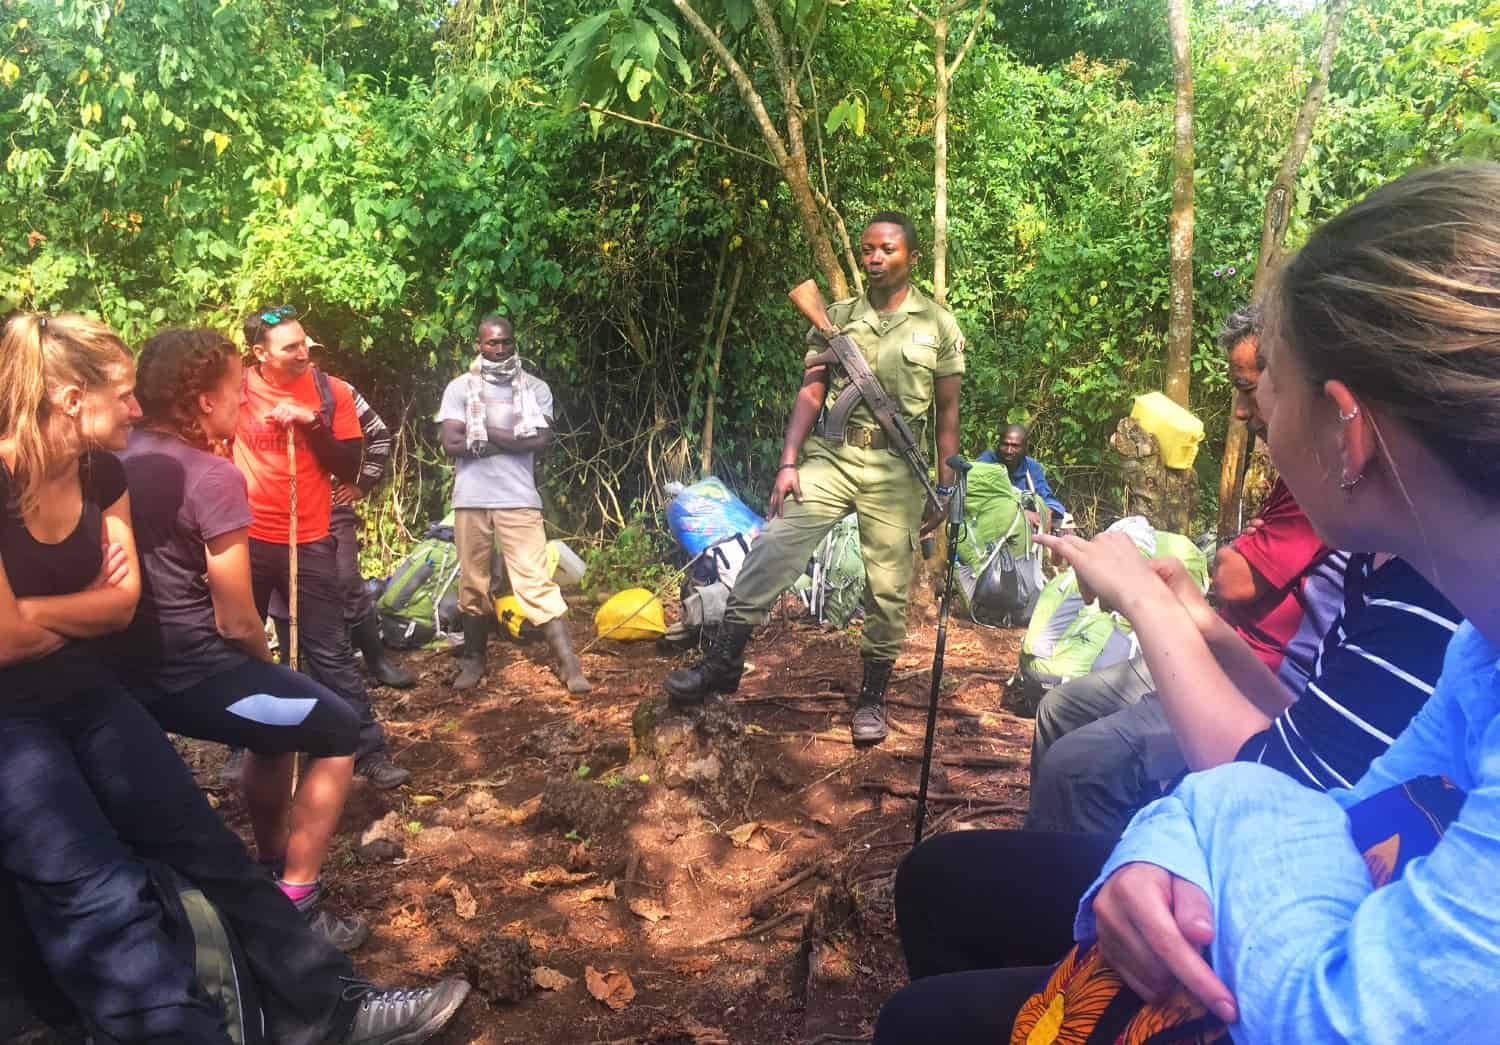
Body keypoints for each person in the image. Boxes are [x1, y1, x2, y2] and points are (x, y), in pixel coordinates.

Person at [881, 162, 1500, 1043]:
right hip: (1314, 897)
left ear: (1347, 426)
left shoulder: (1429, 598)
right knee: (946, 891)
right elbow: (1351, 798)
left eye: (1269, 385)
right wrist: (1170, 839)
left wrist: (1145, 602)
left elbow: (1337, 1012)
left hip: (1302, 984)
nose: (1250, 416)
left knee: (927, 1015)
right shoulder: (1478, 647)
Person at [0, 312, 468, 1044]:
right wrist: (58, 611)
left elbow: (119, 607)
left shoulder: (105, 473)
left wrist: (35, 609)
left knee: (205, 844)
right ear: (68, 400)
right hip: (11, 723)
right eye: (122, 395)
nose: (135, 408)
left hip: (89, 691)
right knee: (98, 890)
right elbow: (5, 638)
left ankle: (329, 1006)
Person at [1026, 306, 1343, 832]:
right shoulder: (1298, 482)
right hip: (1227, 653)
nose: (1242, 412)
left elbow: (1232, 578)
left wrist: (1146, 597)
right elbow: (1221, 585)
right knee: (1059, 711)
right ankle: (1041, 865)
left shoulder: (1329, 486)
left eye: (1255, 389)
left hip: (1254, 674)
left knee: (1077, 767)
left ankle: (1081, 892)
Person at [665, 211, 965, 744]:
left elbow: (947, 414)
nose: (875, 258)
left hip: (896, 471)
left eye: (888, 250)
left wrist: (943, 488)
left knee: (888, 588)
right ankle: (724, 663)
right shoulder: (838, 316)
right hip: (831, 458)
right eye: (868, 249)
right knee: (774, 545)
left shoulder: (937, 326)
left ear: (911, 257)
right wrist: (787, 462)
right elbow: (811, 391)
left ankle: (872, 698)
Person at [114, 327, 369, 951]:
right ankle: (299, 900)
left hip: (120, 671)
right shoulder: (212, 476)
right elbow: (235, 621)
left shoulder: (112, 458)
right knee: (338, 730)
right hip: (192, 672)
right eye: (235, 391)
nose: (242, 403)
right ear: (204, 401)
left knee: (277, 727)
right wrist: (264, 661)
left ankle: (272, 859)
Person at [234, 305, 409, 789]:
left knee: (329, 651)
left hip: (308, 537)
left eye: (304, 343)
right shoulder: (236, 388)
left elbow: (350, 466)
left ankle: (367, 751)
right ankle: (241, 748)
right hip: (244, 539)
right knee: (241, 648)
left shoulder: (331, 392)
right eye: (290, 347)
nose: (303, 353)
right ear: (259, 354)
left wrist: (311, 422)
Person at [436, 313, 591, 694]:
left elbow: (538, 441)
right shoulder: (459, 388)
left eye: (506, 342)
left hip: (518, 499)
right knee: (473, 582)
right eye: (492, 343)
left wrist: (484, 431)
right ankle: (472, 661)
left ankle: (570, 664)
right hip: (471, 500)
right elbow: (452, 444)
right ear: (479, 345)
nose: (500, 349)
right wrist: (510, 438)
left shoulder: (534, 388)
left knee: (535, 581)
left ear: (514, 342)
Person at [268, 341, 415, 690]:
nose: (308, 361)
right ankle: (296, 675)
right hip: (276, 510)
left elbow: (379, 434)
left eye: (315, 354)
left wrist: (361, 484)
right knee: (282, 593)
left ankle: (377, 660)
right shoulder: (263, 394)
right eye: (299, 354)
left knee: (347, 580)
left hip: (331, 505)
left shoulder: (338, 392)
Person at [977, 423, 1065, 531]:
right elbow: (981, 498)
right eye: (1005, 444)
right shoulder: (986, 463)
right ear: (998, 444)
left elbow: (1047, 498)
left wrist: (1048, 511)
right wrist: (1021, 513)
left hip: (1029, 521)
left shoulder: (1032, 467)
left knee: (1065, 525)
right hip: (994, 518)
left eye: (1015, 446)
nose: (1009, 451)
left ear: (1024, 448)